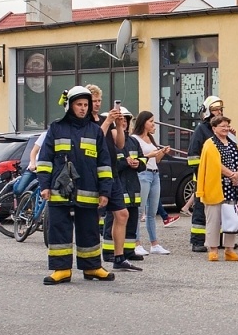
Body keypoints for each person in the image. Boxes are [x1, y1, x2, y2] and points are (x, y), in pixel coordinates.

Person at [36, 86, 113, 284]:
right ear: (70, 105)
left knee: (89, 230)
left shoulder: (95, 131)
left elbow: (104, 164)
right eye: (79, 104)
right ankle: (61, 269)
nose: (83, 108)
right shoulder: (56, 128)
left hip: (88, 190)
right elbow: (44, 160)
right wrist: (44, 186)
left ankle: (92, 267)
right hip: (59, 190)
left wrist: (105, 191)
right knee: (59, 228)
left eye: (86, 105)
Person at [199, 114, 238, 260]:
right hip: (216, 185)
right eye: (222, 126)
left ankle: (229, 249)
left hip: (233, 186)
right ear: (214, 128)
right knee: (213, 219)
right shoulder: (210, 144)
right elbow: (213, 164)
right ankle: (213, 249)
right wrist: (231, 174)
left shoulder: (233, 141)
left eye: (227, 126)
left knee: (231, 218)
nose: (226, 128)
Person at [102, 107, 143, 270]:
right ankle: (109, 252)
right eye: (121, 120)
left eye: (126, 120)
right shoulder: (109, 139)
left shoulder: (133, 141)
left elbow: (143, 159)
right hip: (118, 183)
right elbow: (112, 163)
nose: (124, 123)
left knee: (130, 220)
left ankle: (128, 251)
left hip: (132, 187)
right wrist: (125, 162)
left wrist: (138, 163)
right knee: (113, 219)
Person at [132, 111, 175, 254]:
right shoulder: (135, 139)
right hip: (143, 174)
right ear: (143, 122)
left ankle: (154, 244)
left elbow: (156, 160)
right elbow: (136, 159)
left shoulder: (150, 138)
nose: (153, 124)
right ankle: (136, 243)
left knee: (152, 211)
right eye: (150, 121)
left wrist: (162, 152)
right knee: (139, 210)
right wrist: (149, 155)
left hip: (155, 174)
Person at [186, 95, 224, 252]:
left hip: (220, 178)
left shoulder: (221, 130)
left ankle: (218, 240)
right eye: (215, 109)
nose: (219, 112)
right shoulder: (201, 130)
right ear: (208, 111)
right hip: (204, 178)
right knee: (201, 209)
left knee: (219, 209)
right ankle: (197, 241)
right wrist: (202, 173)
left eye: (220, 109)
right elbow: (193, 156)